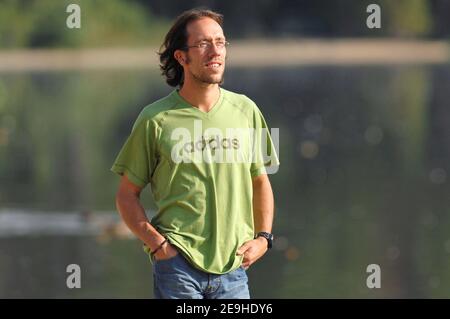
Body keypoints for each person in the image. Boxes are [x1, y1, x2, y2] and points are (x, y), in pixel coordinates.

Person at [111, 8, 279, 299]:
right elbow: (127, 194)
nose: (215, 51)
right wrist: (159, 246)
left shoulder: (246, 110)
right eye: (203, 44)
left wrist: (264, 238)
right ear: (181, 57)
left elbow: (260, 181)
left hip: (234, 269)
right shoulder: (155, 119)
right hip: (178, 268)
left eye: (220, 42)